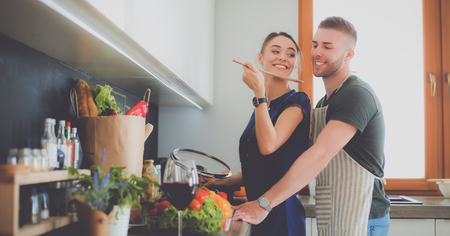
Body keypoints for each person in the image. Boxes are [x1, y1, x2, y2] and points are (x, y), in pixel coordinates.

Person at [233, 16, 391, 236]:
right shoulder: (323, 104)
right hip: (334, 212)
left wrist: (264, 204)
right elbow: (285, 158)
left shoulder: (356, 94)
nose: (317, 52)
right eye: (315, 45)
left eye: (327, 47)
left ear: (348, 55)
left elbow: (320, 155)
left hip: (364, 216)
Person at [204, 32, 311, 236]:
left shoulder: (298, 101)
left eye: (290, 54)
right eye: (275, 51)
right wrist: (220, 182)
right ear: (260, 58)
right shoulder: (263, 107)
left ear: (295, 64)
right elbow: (260, 167)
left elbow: (268, 146)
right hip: (255, 212)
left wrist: (259, 94)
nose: (282, 57)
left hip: (282, 216)